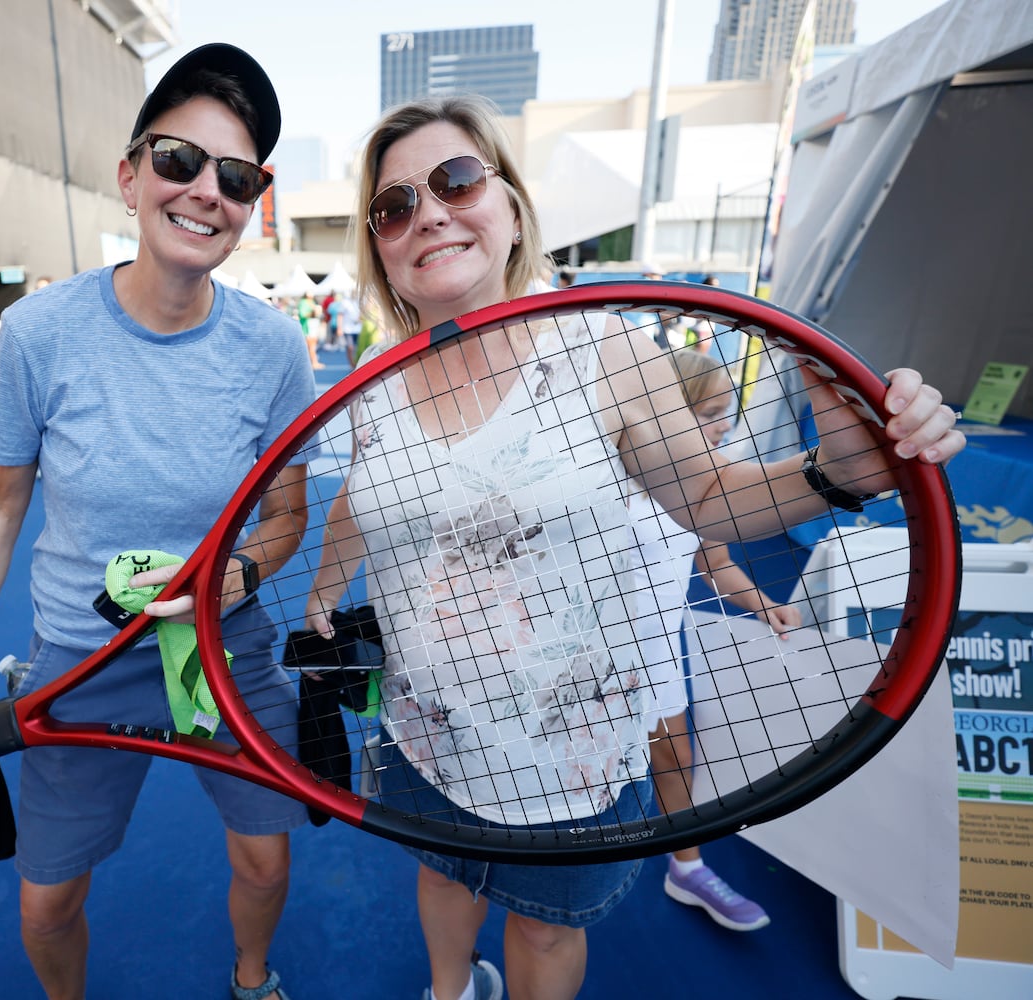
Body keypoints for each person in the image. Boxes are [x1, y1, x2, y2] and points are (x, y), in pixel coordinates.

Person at [303, 95, 963, 1000]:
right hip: (428, 731)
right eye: (394, 205)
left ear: (511, 205)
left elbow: (704, 496)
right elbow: (363, 499)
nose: (428, 214)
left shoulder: (601, 349)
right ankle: (449, 992)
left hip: (569, 754)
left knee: (542, 930)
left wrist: (831, 475)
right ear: (378, 245)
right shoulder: (375, 385)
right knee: (443, 876)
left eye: (456, 180)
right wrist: (311, 588)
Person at [0, 44, 313, 1000]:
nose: (204, 192)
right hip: (79, 661)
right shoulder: (40, 333)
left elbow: (287, 511)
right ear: (129, 174)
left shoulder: (274, 348)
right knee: (45, 905)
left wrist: (231, 579)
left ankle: (251, 979)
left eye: (234, 178)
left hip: (222, 653)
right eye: (178, 161)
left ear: (250, 205)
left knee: (267, 865)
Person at [630, 348, 803, 934]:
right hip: (577, 657)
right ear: (664, 412)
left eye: (726, 412)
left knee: (675, 757)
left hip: (652, 651)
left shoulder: (709, 483)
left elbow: (716, 564)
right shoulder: (604, 476)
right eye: (708, 413)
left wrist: (765, 604)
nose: (723, 426)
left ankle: (687, 867)